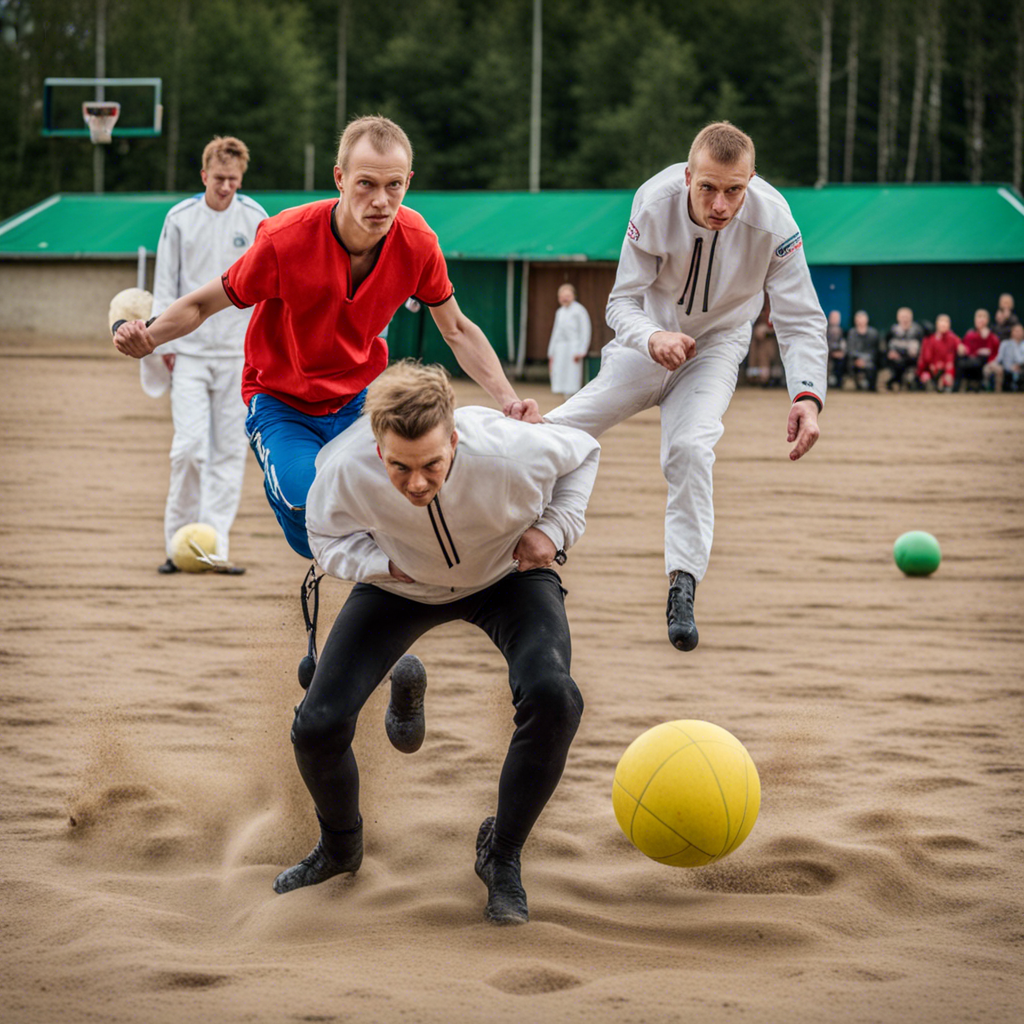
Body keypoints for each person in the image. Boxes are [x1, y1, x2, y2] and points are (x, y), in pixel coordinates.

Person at [113, 118, 539, 606]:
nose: (381, 200)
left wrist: (508, 400)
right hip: (280, 400)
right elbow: (204, 303)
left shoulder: (418, 243)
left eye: (393, 186)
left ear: (408, 183)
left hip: (360, 398)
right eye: (366, 184)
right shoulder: (284, 240)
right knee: (313, 507)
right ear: (340, 179)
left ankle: (415, 590)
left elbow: (457, 328)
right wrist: (150, 336)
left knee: (417, 481)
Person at [276, 361, 601, 925]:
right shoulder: (344, 467)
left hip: (509, 576)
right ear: (378, 450)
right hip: (399, 585)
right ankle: (340, 846)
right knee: (316, 725)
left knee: (556, 698)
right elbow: (323, 540)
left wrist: (553, 530)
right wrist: (379, 565)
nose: (418, 482)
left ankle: (500, 855)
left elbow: (584, 452)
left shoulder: (510, 448)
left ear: (454, 439)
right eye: (400, 468)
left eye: (432, 464)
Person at [544, 121, 827, 652]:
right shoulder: (653, 203)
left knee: (691, 448)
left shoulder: (776, 222)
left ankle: (683, 582)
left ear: (752, 180)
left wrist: (807, 397)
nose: (721, 204)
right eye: (708, 188)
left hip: (717, 346)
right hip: (646, 340)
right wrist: (652, 338)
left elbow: (800, 320)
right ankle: (504, 530)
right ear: (687, 174)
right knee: (560, 428)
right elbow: (620, 302)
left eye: (734, 190)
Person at [147, 136, 267, 574]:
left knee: (229, 454)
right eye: (219, 179)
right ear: (204, 176)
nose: (226, 188)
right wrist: (165, 342)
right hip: (190, 354)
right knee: (190, 449)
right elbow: (166, 284)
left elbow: (266, 291)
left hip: (239, 356)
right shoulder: (179, 219)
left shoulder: (256, 218)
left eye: (233, 181)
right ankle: (176, 545)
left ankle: (213, 549)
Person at [547, 284, 592, 395]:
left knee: (572, 373)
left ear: (573, 296)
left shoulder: (579, 310)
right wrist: (551, 352)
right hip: (560, 347)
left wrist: (582, 350)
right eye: (562, 296)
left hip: (573, 346)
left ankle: (572, 395)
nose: (565, 299)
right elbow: (555, 332)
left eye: (567, 295)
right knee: (560, 371)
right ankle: (563, 395)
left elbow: (585, 331)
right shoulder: (560, 312)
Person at [955, 308, 998, 392]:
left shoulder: (992, 337)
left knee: (979, 360)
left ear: (988, 320)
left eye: (984, 317)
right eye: (979, 316)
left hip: (984, 363)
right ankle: (959, 387)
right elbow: (966, 348)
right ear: (975, 319)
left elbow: (995, 352)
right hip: (970, 360)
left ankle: (978, 385)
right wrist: (962, 348)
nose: (981, 319)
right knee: (961, 361)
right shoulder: (970, 334)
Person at [883, 307, 924, 391]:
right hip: (897, 359)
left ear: (911, 318)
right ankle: (895, 382)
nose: (905, 319)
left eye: (907, 317)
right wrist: (890, 352)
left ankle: (913, 383)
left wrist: (918, 353)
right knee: (896, 363)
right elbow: (887, 345)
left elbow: (923, 346)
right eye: (902, 317)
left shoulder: (918, 330)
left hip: (912, 359)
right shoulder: (892, 330)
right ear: (898, 318)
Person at [916, 314, 959, 392]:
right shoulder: (929, 339)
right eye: (941, 321)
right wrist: (933, 367)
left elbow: (952, 357)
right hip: (930, 370)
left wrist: (947, 372)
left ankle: (944, 385)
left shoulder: (953, 339)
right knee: (925, 377)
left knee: (948, 380)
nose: (943, 324)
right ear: (937, 324)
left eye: (946, 322)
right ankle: (930, 384)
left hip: (946, 370)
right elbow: (925, 358)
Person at [983, 322, 1024, 392]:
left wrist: (1019, 365)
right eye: (1016, 331)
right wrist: (993, 363)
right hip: (1006, 368)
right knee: (988, 368)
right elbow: (999, 358)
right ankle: (990, 391)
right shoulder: (1005, 343)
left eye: (1020, 331)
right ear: (1012, 332)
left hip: (1021, 368)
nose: (1018, 333)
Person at [846, 310, 881, 392]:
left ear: (867, 320)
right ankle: (856, 384)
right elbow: (850, 350)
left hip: (870, 361)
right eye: (858, 319)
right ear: (855, 321)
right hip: (854, 361)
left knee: (873, 367)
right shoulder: (851, 333)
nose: (860, 321)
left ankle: (871, 387)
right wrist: (857, 360)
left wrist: (865, 360)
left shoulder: (874, 333)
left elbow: (874, 350)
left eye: (862, 318)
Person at [826, 309, 847, 389]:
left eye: (836, 318)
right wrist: (831, 352)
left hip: (838, 354)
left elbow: (844, 344)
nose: (835, 320)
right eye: (833, 317)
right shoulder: (824, 330)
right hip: (827, 354)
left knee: (842, 360)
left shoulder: (842, 331)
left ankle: (838, 382)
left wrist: (842, 352)